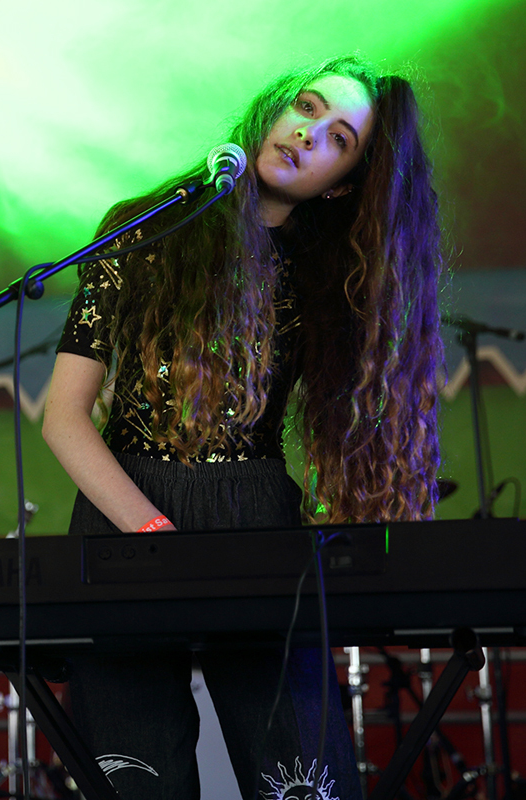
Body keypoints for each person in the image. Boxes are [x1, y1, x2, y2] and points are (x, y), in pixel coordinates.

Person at [42, 55, 442, 800]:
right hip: (125, 506)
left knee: (301, 773)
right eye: (307, 106)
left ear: (345, 182)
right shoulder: (140, 228)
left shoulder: (329, 274)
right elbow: (63, 416)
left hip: (255, 516)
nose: (307, 132)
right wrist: (149, 531)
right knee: (137, 776)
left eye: (338, 137)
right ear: (273, 107)